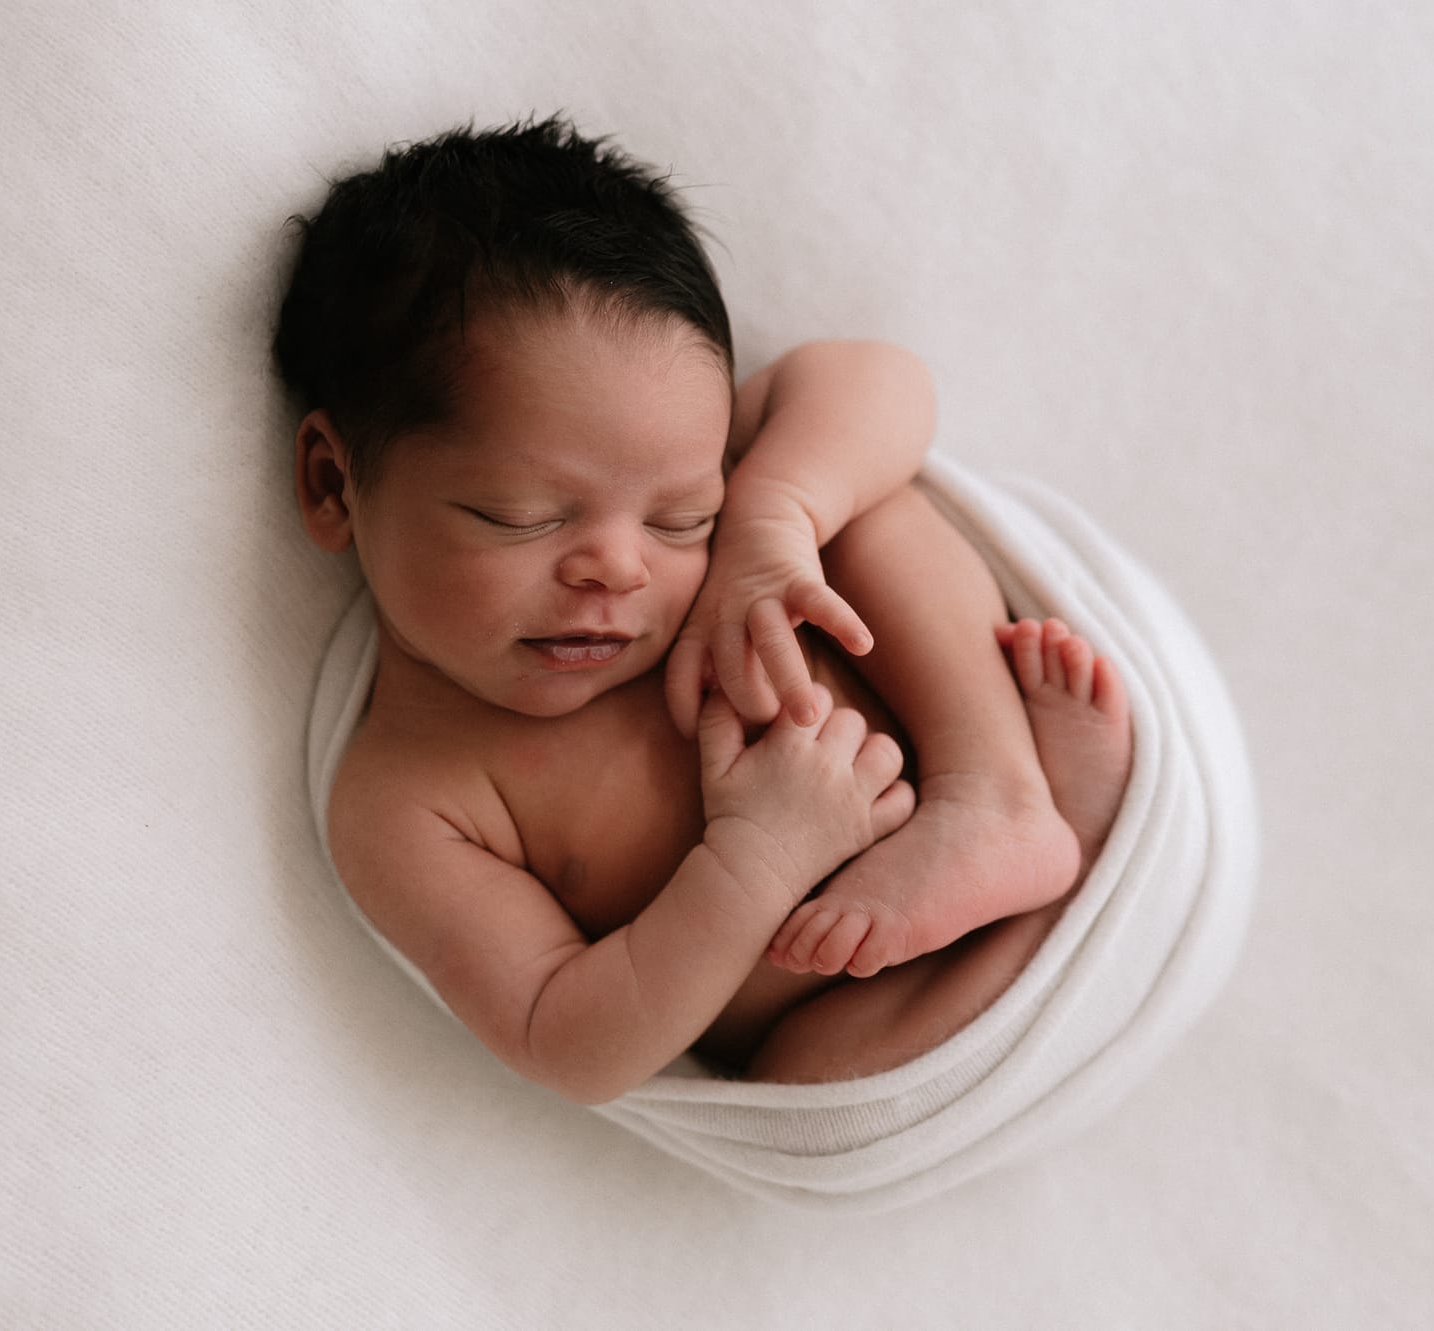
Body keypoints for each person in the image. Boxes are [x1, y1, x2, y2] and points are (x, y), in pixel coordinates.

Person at [275, 117, 1133, 1104]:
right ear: (334, 484)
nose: (617, 567)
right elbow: (565, 1039)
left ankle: (998, 787)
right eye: (523, 517)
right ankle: (1073, 859)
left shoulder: (721, 501)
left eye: (680, 516)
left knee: (861, 500)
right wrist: (755, 860)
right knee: (806, 1085)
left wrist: (771, 519)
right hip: (843, 987)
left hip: (944, 759)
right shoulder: (405, 800)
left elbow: (882, 381)